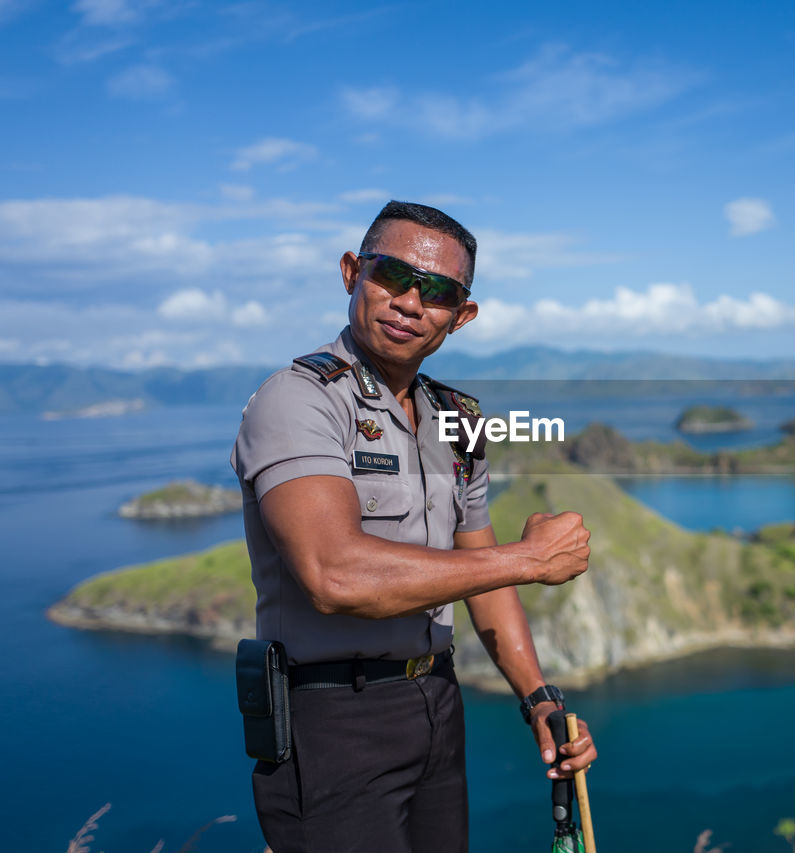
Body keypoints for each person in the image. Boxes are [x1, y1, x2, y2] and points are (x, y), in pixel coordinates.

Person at [230, 200, 597, 852]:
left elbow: (478, 569)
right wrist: (531, 559)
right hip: (335, 719)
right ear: (352, 271)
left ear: (462, 316)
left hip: (436, 700)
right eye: (391, 275)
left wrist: (539, 697)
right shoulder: (300, 399)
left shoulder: (457, 419)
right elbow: (335, 574)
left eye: (436, 291)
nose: (408, 301)